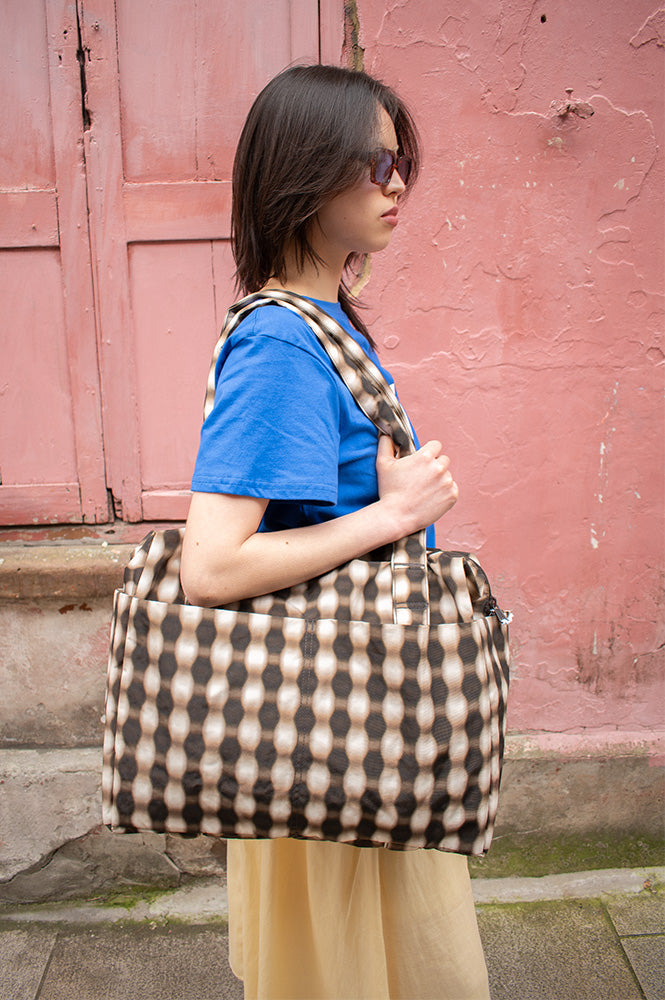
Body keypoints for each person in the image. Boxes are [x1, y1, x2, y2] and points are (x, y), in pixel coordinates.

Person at [180, 64, 490, 1000]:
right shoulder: (281, 344)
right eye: (373, 161)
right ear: (304, 172)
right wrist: (392, 515)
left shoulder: (324, 324)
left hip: (351, 721)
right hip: (328, 734)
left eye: (402, 162)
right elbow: (213, 563)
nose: (396, 183)